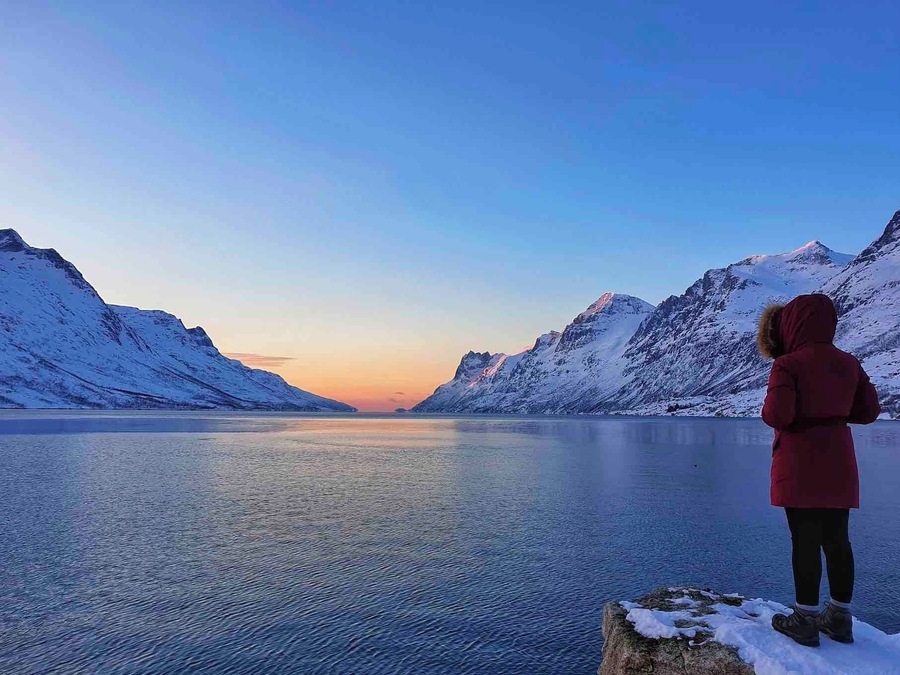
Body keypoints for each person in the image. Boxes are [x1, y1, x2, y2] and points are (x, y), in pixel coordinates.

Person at [758, 293, 880, 647]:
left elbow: (777, 415)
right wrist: (835, 415)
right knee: (838, 539)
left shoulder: (787, 364)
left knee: (804, 540)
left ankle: (805, 618)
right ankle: (840, 617)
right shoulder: (849, 362)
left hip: (800, 459)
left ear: (792, 324)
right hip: (839, 459)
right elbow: (869, 411)